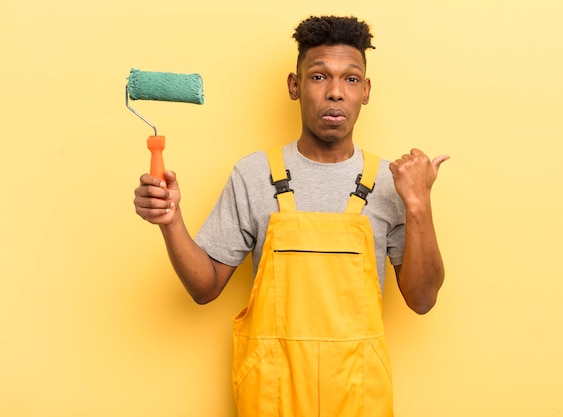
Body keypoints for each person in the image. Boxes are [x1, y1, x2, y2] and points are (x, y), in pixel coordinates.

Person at [134, 15, 448, 417]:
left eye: (350, 79)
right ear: (294, 86)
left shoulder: (392, 183)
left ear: (365, 91)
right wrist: (171, 220)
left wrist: (418, 202)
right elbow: (205, 288)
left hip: (359, 395)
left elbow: (422, 300)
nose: (335, 93)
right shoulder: (253, 175)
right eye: (319, 77)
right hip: (272, 395)